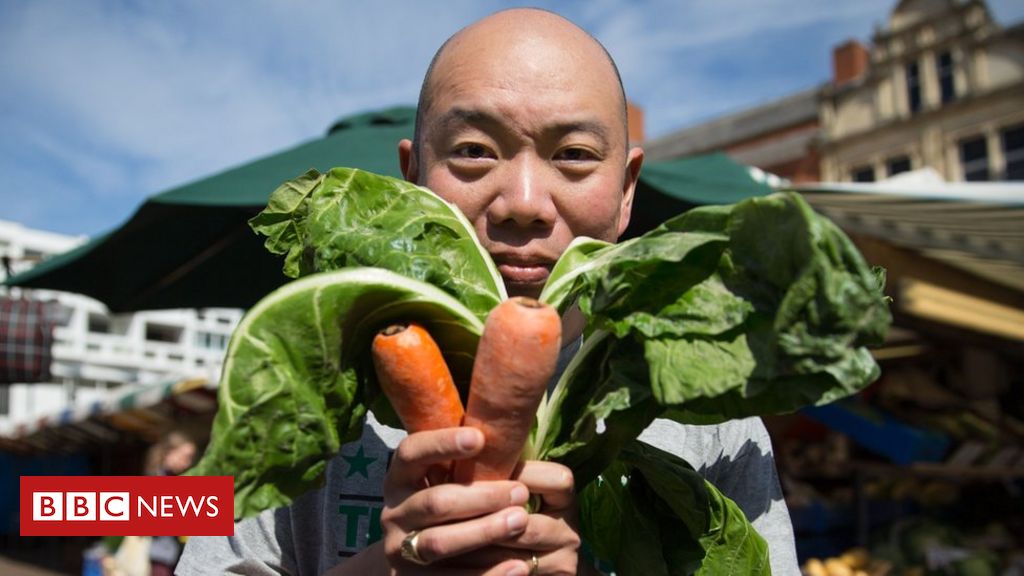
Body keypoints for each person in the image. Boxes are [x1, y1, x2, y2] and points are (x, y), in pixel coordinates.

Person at [176, 8, 799, 575]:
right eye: (473, 151)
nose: (523, 203)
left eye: (575, 155)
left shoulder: (713, 419)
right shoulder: (297, 391)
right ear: (413, 177)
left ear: (626, 190)